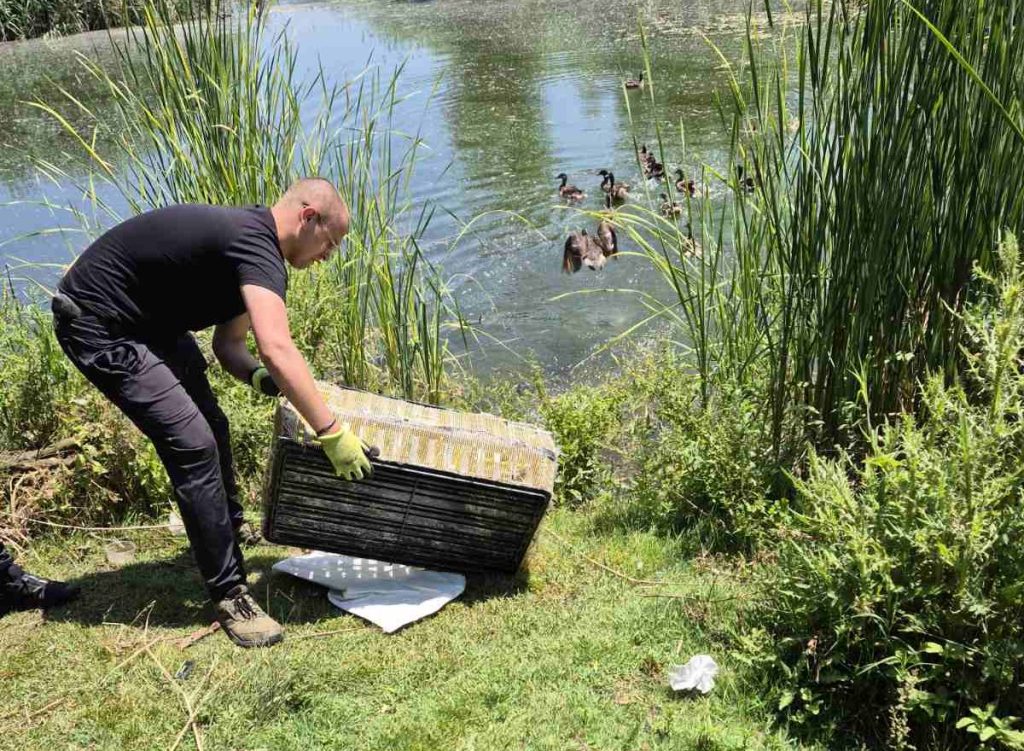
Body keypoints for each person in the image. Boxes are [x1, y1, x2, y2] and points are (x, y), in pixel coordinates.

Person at [27, 177, 373, 647]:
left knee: (213, 424)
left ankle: (227, 529)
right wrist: (331, 433)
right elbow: (276, 346)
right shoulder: (256, 244)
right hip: (98, 322)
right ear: (307, 216)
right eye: (330, 242)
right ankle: (231, 595)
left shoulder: (254, 250)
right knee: (193, 444)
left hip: (149, 324)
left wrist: (259, 379)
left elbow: (229, 345)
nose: (329, 255)